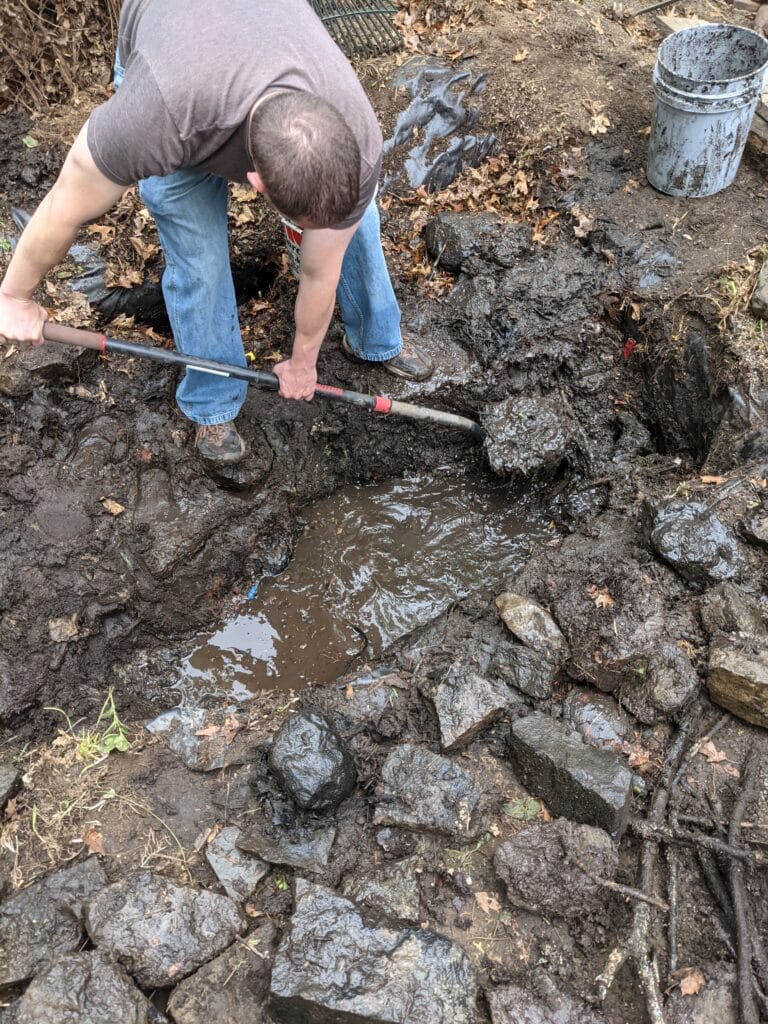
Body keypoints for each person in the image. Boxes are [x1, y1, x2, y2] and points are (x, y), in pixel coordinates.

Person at [0, 0, 434, 464]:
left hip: (246, 40)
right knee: (200, 257)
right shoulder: (156, 118)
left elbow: (319, 272)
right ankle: (214, 401)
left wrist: (304, 362)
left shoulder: (358, 137)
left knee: (357, 224)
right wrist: (14, 298)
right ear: (256, 183)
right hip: (174, 56)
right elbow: (63, 207)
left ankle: (375, 338)